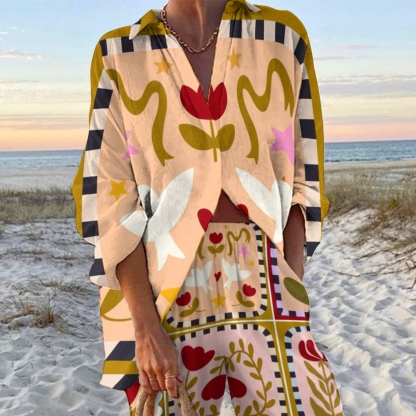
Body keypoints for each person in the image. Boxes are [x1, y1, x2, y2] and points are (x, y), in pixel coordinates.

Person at [71, 0, 344, 415]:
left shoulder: (282, 37)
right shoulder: (119, 52)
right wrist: (144, 327)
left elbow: (304, 173)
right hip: (163, 286)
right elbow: (111, 201)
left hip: (266, 272)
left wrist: (291, 280)